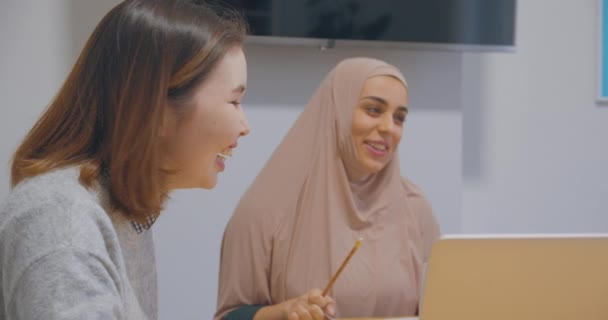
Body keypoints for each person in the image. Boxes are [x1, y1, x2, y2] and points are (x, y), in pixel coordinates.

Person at [0, 0, 249, 319]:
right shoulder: (64, 221)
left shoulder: (119, 212)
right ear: (156, 108)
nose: (245, 127)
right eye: (235, 101)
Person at [215, 57, 440, 320]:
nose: (389, 128)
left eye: (399, 118)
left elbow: (441, 306)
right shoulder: (265, 210)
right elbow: (230, 316)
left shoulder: (415, 207)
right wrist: (284, 312)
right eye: (373, 110)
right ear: (338, 112)